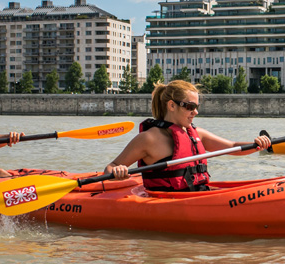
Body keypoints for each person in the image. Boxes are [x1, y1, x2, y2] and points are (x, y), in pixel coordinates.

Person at [104, 80, 271, 192]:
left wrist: (257, 145)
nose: (195, 112)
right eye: (190, 106)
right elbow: (111, 168)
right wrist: (118, 170)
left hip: (198, 194)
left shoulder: (197, 134)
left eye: (196, 106)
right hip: (167, 202)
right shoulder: (149, 139)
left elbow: (233, 147)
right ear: (171, 105)